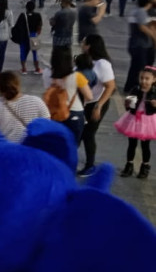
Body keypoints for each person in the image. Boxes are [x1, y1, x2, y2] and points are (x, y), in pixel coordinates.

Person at [78, 34, 117, 177]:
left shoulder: (102, 64)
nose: (81, 44)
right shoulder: (84, 60)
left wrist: (98, 106)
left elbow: (110, 86)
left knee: (88, 134)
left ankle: (90, 165)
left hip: (96, 103)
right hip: (83, 103)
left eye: (83, 42)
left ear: (90, 46)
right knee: (77, 133)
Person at [0, 71, 51, 142]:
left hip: (4, 151)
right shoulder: (37, 101)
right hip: (28, 149)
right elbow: (47, 127)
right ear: (18, 84)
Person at [42, 47, 92, 144]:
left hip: (53, 113)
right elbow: (89, 96)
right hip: (74, 113)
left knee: (55, 146)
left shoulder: (46, 73)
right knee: (71, 148)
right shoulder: (77, 76)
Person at [114, 66, 156, 179]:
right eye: (142, 78)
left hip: (148, 121)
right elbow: (130, 107)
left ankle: (145, 166)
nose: (144, 81)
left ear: (154, 80)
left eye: (147, 79)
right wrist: (127, 104)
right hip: (134, 118)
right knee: (131, 144)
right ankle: (129, 165)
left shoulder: (155, 92)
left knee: (145, 145)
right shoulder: (135, 89)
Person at [124, 0, 156, 93]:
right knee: (139, 67)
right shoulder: (141, 12)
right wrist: (153, 36)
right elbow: (142, 27)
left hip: (139, 44)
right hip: (140, 45)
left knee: (136, 67)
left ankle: (129, 87)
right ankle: (135, 88)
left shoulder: (138, 11)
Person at [14, 1, 43, 74]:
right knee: (35, 53)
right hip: (34, 36)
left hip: (24, 36)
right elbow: (39, 27)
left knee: (23, 52)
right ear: (34, 7)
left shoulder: (22, 15)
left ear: (26, 7)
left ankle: (24, 69)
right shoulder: (38, 15)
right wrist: (37, 33)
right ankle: (37, 69)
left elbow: (17, 26)